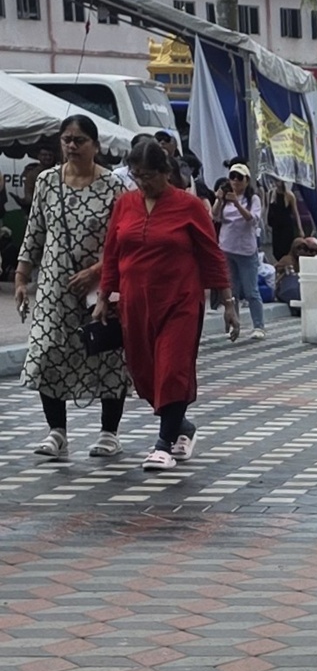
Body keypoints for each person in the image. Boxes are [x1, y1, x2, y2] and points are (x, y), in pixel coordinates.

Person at [96, 141, 238, 470]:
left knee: (172, 368)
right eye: (137, 176)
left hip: (180, 301)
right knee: (145, 373)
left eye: (148, 176)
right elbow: (112, 253)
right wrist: (104, 297)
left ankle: (163, 443)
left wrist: (228, 303)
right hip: (135, 302)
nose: (143, 183)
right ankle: (182, 425)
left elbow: (212, 255)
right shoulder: (125, 204)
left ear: (166, 173)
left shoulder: (188, 207)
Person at [14, 115, 131, 459]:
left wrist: (96, 271)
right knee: (48, 352)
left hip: (100, 287)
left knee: (108, 354)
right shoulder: (48, 182)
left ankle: (109, 432)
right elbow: (34, 231)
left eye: (79, 140)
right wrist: (22, 277)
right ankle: (56, 431)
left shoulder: (114, 187)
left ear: (95, 145)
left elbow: (122, 241)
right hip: (54, 286)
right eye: (66, 139)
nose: (71, 146)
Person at [212, 163, 266, 340]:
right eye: (232, 176)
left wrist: (236, 203)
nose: (235, 180)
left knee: (251, 290)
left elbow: (252, 219)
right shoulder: (225, 197)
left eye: (239, 177)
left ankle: (258, 326)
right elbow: (215, 216)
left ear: (247, 180)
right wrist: (220, 200)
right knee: (231, 291)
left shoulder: (253, 199)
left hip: (246, 250)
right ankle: (232, 324)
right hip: (227, 247)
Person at [267, 180, 303, 263]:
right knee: (276, 250)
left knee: (286, 248)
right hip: (276, 226)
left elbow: (296, 213)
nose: (277, 183)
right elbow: (268, 209)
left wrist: (300, 229)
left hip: (286, 226)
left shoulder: (289, 195)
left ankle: (287, 266)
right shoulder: (271, 193)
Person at [20, 144, 58, 209]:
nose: (48, 157)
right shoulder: (32, 174)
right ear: (39, 156)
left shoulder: (59, 171)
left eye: (50, 155)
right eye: (44, 155)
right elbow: (29, 194)